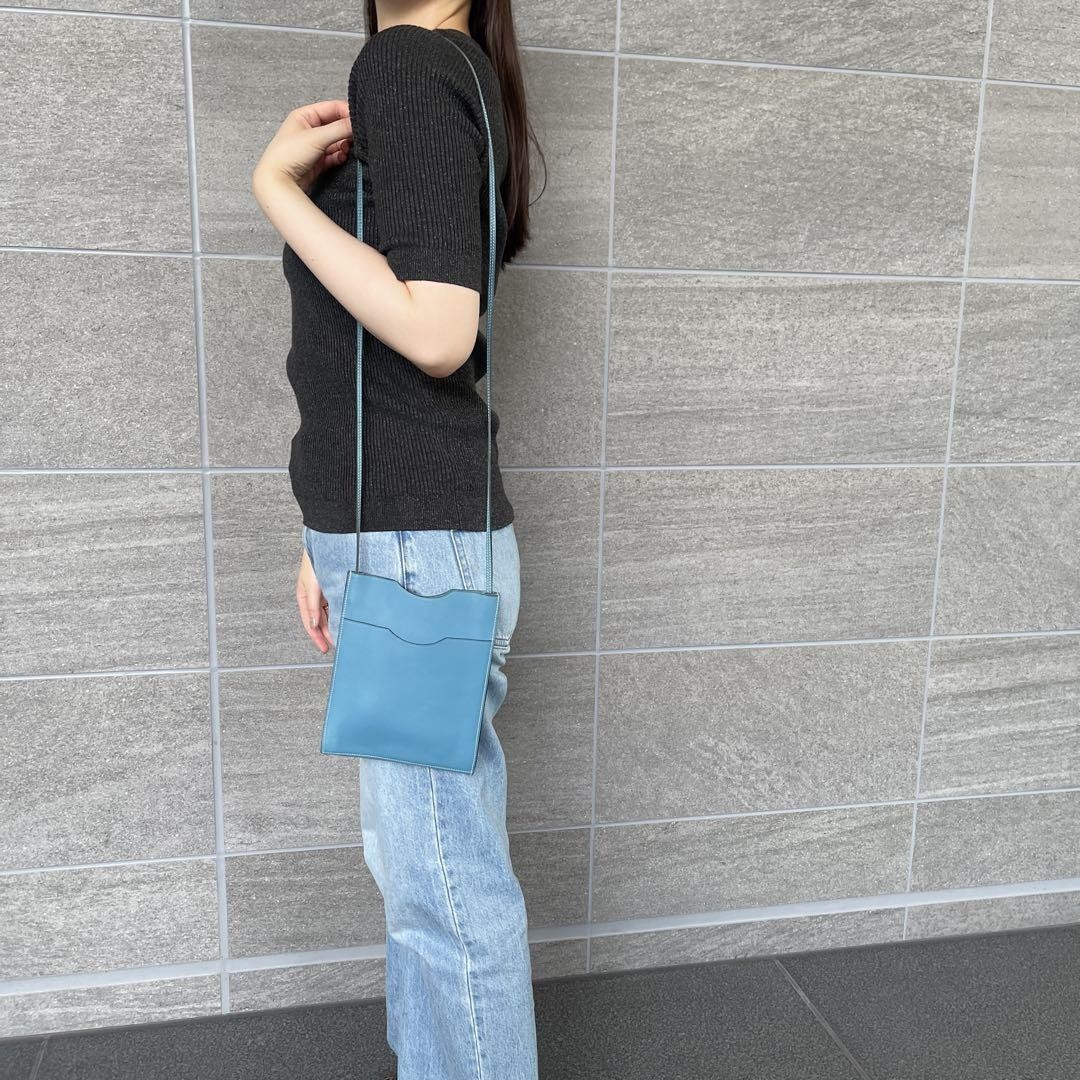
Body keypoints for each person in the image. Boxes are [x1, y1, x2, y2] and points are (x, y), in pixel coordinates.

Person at [251, 2, 545, 1077]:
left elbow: (436, 330)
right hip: (404, 535)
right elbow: (354, 359)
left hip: (418, 551)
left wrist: (278, 191)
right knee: (421, 874)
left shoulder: (409, 63)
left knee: (444, 895)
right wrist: (326, 529)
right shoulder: (456, 74)